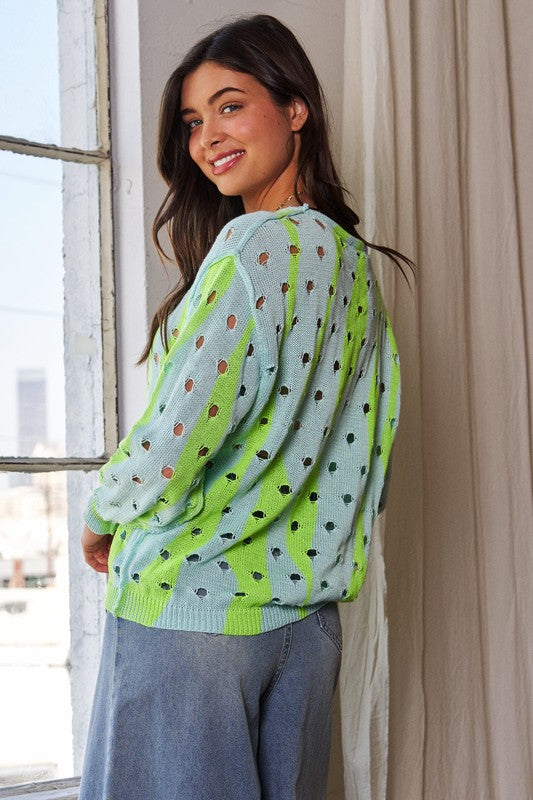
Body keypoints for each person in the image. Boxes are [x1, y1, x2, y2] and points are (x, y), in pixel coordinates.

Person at [79, 14, 411, 800]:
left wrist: (100, 512)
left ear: (295, 108)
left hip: (192, 618)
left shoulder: (254, 247)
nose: (207, 137)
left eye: (229, 106)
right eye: (193, 121)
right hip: (306, 627)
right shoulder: (352, 265)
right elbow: (368, 450)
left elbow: (176, 433)